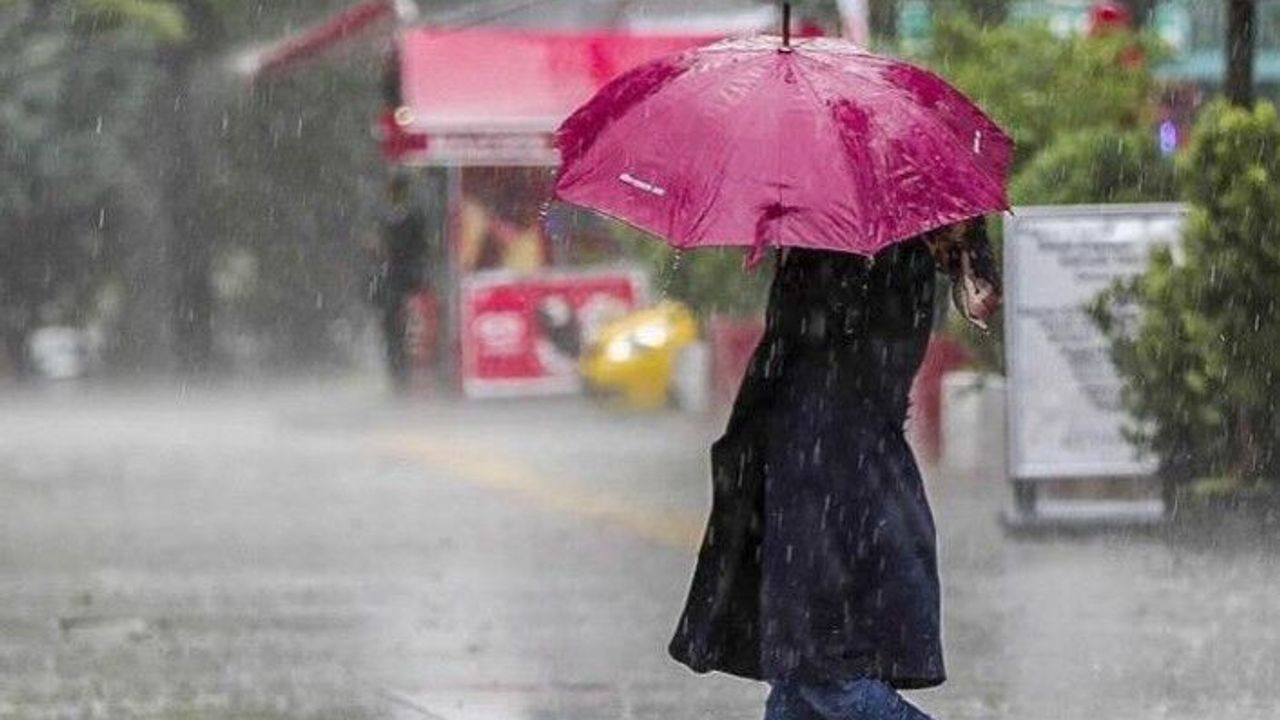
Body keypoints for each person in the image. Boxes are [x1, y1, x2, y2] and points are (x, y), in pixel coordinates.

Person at [668, 219, 1001, 720]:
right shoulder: (905, 242)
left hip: (822, 464)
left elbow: (815, 342)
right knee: (795, 679)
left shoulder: (846, 243)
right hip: (838, 462)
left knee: (822, 670)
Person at [367, 173, 428, 391]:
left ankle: (403, 378)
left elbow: (415, 249)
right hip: (397, 283)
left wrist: (384, 252)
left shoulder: (408, 219)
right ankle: (399, 378)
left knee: (403, 332)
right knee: (396, 333)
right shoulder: (389, 220)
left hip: (404, 283)